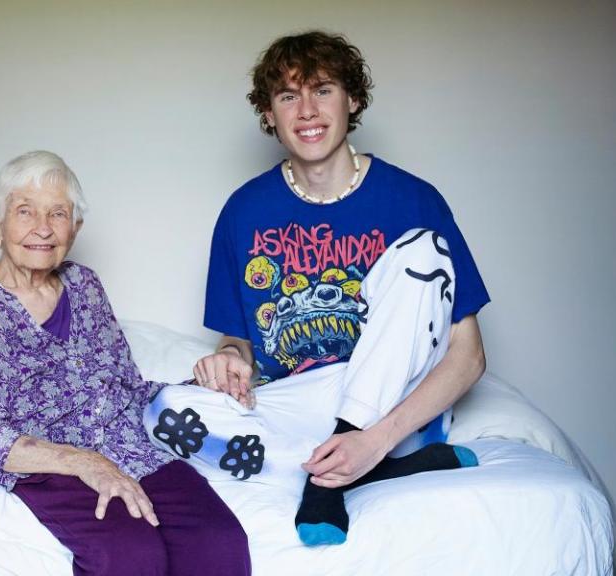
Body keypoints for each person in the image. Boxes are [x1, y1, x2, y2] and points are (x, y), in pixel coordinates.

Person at [145, 31, 489, 546]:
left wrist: (375, 439)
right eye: (288, 96)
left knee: (424, 249)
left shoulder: (413, 199)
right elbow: (238, 340)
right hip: (304, 396)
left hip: (397, 403)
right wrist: (229, 361)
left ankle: (347, 462)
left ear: (352, 100)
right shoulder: (244, 211)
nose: (306, 110)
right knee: (161, 413)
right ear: (269, 114)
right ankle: (367, 465)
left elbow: (468, 358)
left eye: (322, 89)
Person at [0, 150, 251, 576]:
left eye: (58, 214)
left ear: (75, 228)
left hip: (129, 446)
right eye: (24, 212)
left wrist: (202, 385)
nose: (42, 228)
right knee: (131, 555)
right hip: (48, 465)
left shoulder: (84, 284)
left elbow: (126, 386)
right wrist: (86, 463)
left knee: (219, 541)